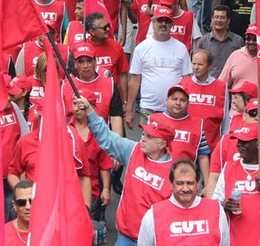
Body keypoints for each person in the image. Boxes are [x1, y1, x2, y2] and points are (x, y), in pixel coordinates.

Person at [76, 95, 172, 246]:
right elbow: (106, 137)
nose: (143, 138)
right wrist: (89, 111)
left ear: (162, 144)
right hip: (125, 237)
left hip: (155, 241)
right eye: (144, 133)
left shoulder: (174, 172)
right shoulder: (134, 151)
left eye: (149, 136)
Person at [212, 123, 260, 244]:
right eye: (239, 141)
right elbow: (215, 204)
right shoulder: (229, 167)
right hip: (235, 240)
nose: (239, 145)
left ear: (258, 144)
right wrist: (225, 205)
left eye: (245, 142)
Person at [126, 6, 192, 129]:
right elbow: (135, 80)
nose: (163, 24)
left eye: (167, 21)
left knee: (173, 147)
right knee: (149, 146)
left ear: (172, 24)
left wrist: (188, 106)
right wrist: (129, 109)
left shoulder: (181, 48)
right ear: (153, 22)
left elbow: (187, 79)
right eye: (160, 20)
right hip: (148, 109)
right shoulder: (141, 48)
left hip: (174, 110)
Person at [139, 159, 229, 245]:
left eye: (190, 183)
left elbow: (225, 242)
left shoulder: (216, 210)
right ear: (171, 184)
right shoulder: (153, 215)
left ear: (198, 184)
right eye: (180, 183)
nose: (185, 189)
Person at [179, 49, 228, 151]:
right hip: (187, 144)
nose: (195, 68)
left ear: (209, 65)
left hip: (212, 146)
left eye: (200, 64)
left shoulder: (221, 87)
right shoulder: (183, 85)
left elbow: (226, 120)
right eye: (193, 64)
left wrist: (224, 144)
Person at [195, 5, 244, 79]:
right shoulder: (203, 41)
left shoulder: (238, 41)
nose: (219, 20)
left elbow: (242, 64)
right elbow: (197, 65)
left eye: (222, 17)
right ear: (212, 19)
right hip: (209, 85)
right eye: (216, 17)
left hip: (231, 85)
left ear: (228, 21)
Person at [4, 179, 33, 246]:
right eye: (21, 202)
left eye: (32, 201)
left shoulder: (50, 231)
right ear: (14, 205)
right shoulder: (3, 234)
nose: (28, 207)